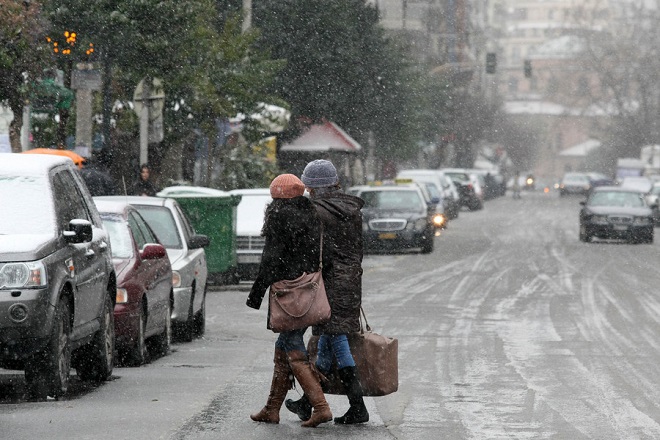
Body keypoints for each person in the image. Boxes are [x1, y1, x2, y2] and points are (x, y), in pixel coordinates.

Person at [285, 159, 369, 425]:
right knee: (327, 341)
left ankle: (357, 406)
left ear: (314, 188)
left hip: (328, 285)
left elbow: (314, 252)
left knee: (337, 342)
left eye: (309, 188)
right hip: (350, 283)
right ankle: (307, 403)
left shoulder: (318, 213)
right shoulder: (350, 209)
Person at [246, 173, 333, 428]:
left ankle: (320, 407)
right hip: (310, 292)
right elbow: (324, 255)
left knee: (291, 343)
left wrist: (256, 293)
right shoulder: (313, 217)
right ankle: (272, 409)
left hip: (288, 295)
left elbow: (271, 261)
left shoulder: (278, 219)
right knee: (284, 344)